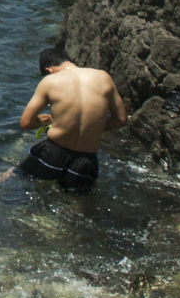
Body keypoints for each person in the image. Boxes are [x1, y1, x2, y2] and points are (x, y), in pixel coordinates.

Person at [14, 47, 128, 192]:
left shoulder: (50, 81)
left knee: (17, 174)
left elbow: (25, 122)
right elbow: (121, 119)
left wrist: (44, 121)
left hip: (54, 153)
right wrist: (92, 128)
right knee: (77, 205)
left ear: (49, 70)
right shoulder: (104, 77)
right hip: (86, 161)